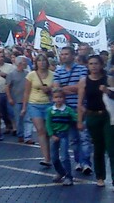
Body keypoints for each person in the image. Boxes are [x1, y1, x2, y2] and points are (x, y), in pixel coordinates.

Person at [52, 46, 92, 175]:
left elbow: (82, 86)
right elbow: (56, 90)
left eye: (66, 54)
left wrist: (65, 89)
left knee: (84, 137)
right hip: (66, 110)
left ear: (73, 55)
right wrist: (73, 88)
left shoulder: (82, 69)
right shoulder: (58, 71)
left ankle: (86, 163)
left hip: (80, 107)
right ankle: (79, 161)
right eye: (62, 54)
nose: (63, 56)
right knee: (74, 139)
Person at [77, 55, 114, 188]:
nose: (93, 66)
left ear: (101, 65)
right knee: (98, 148)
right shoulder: (84, 81)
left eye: (96, 63)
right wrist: (80, 120)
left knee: (111, 148)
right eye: (91, 63)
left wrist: (108, 91)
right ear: (87, 65)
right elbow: (80, 102)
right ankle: (100, 177)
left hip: (107, 116)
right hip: (92, 116)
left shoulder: (108, 79)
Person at [22, 54, 55, 167]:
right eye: (39, 61)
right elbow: (26, 92)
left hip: (48, 104)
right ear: (36, 63)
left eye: (44, 60)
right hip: (34, 104)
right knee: (40, 130)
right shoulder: (31, 75)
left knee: (48, 131)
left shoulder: (53, 75)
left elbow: (57, 90)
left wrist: (49, 89)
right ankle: (46, 158)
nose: (42, 63)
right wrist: (24, 107)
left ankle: (51, 153)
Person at [46, 90, 76, 186]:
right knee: (54, 157)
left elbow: (75, 117)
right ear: (53, 99)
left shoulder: (68, 110)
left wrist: (80, 116)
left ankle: (68, 177)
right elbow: (48, 124)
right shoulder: (50, 110)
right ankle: (60, 171)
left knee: (64, 157)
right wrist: (51, 134)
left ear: (64, 98)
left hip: (64, 135)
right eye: (56, 97)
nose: (58, 99)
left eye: (60, 97)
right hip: (55, 135)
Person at [7, 56, 34, 144]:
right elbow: (7, 87)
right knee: (18, 119)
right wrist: (10, 98)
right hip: (16, 100)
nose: (26, 64)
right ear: (19, 64)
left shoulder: (28, 73)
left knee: (28, 119)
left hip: (27, 99)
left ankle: (28, 137)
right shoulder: (11, 74)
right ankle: (20, 135)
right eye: (24, 62)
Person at [0, 52, 16, 135]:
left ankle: (15, 127)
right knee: (2, 111)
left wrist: (6, 75)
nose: (0, 58)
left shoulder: (10, 66)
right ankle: (8, 126)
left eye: (2, 56)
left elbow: (14, 77)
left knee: (10, 111)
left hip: (8, 92)